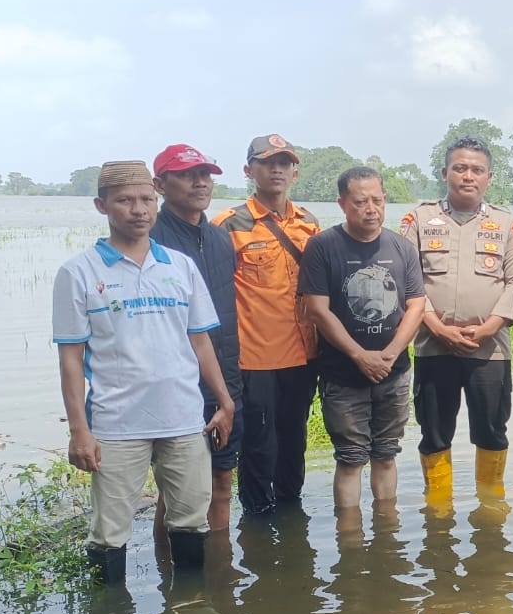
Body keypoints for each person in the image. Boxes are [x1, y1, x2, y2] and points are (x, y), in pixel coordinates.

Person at [52, 161, 234, 582]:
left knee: (191, 522)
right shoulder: (79, 272)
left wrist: (224, 401)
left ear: (157, 200)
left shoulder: (179, 266)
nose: (139, 210)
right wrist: (79, 430)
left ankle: (188, 610)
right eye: (125, 201)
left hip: (184, 420)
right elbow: (70, 358)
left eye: (146, 200)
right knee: (109, 534)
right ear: (102, 205)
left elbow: (200, 341)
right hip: (117, 425)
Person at [398, 136, 513, 506]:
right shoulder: (419, 220)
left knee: (491, 431)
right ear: (445, 173)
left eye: (477, 170)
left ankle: (491, 507)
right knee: (435, 433)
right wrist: (435, 325)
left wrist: (491, 325)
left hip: (490, 349)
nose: (468, 176)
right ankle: (438, 510)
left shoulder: (506, 224)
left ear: (489, 177)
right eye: (460, 168)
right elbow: (407, 278)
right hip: (433, 345)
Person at [299, 167, 426, 512]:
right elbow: (318, 310)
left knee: (386, 455)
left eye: (378, 200)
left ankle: (387, 533)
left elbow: (416, 305)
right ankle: (350, 539)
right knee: (351, 459)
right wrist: (359, 355)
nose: (371, 208)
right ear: (342, 203)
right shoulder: (323, 247)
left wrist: (390, 353)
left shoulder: (401, 247)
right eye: (360, 202)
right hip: (343, 375)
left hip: (394, 373)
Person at [213, 134, 320, 518]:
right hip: (254, 359)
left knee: (294, 440)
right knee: (258, 444)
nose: (277, 169)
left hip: (303, 356)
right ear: (249, 170)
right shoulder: (228, 225)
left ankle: (292, 515)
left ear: (295, 172)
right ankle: (257, 522)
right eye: (267, 162)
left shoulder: (308, 223)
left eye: (285, 162)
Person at [150, 143, 242, 536]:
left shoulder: (220, 238)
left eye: (205, 174)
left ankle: (220, 577)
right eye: (187, 174)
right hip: (176, 383)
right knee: (174, 493)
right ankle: (173, 583)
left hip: (224, 377)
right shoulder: (151, 240)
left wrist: (230, 391)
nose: (200, 182)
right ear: (160, 184)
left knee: (222, 483)